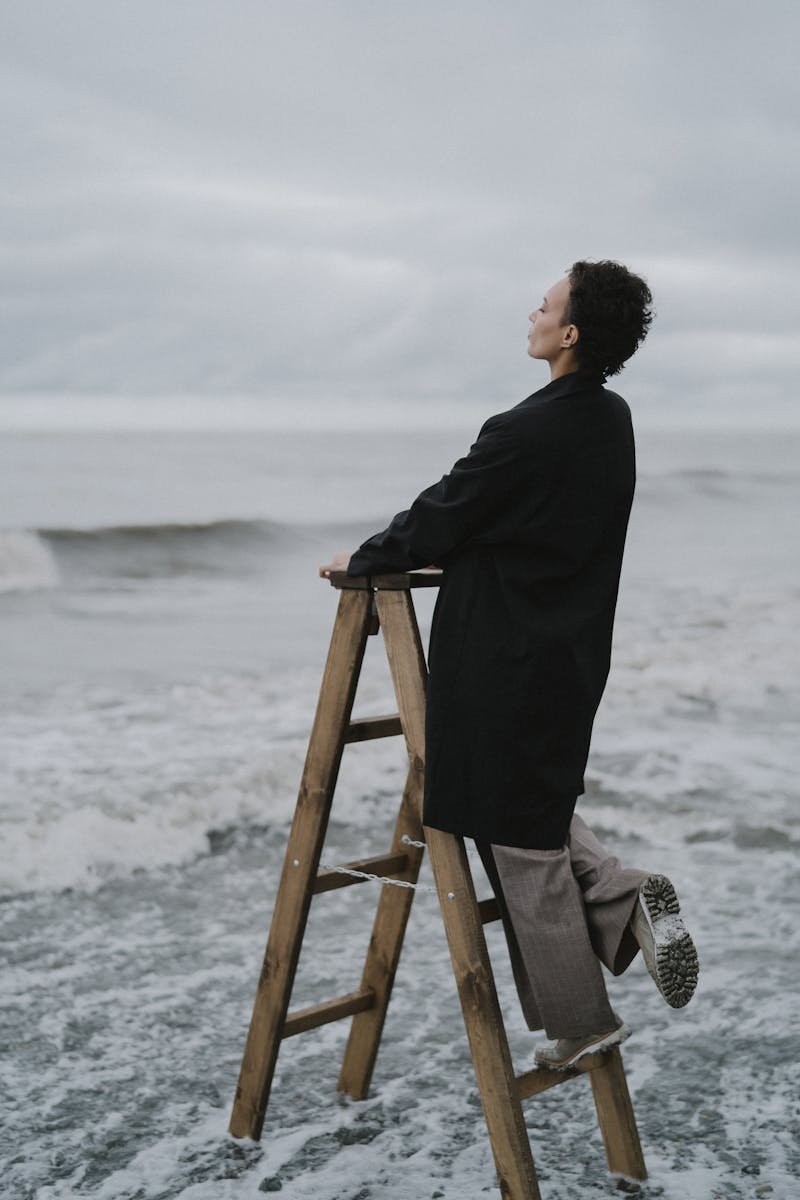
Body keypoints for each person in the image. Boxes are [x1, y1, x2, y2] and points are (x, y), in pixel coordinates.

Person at [319, 260, 698, 1069]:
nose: (533, 310)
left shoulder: (522, 428)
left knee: (513, 831)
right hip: (572, 652)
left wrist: (367, 558)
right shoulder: (612, 419)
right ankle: (626, 895)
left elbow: (446, 512)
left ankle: (581, 1019)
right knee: (531, 795)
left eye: (547, 304)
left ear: (570, 333)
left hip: (499, 657)